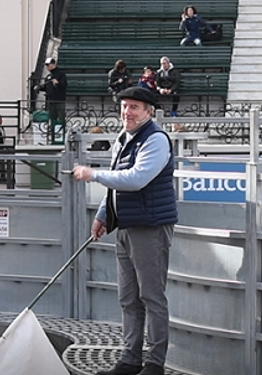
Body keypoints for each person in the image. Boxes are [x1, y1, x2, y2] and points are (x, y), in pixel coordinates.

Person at [73, 87, 177, 375]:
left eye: (134, 107)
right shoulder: (124, 138)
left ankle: (154, 364)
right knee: (129, 298)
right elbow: (117, 183)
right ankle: (130, 360)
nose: (127, 111)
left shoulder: (155, 139)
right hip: (127, 225)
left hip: (150, 227)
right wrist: (104, 215)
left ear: (148, 111)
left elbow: (136, 179)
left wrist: (92, 174)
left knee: (151, 297)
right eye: (124, 106)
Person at [34, 58, 68, 126]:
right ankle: (53, 133)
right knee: (52, 119)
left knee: (61, 118)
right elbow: (47, 87)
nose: (47, 67)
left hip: (59, 100)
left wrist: (58, 83)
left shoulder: (61, 74)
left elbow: (64, 85)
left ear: (53, 64)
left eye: (48, 65)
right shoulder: (49, 76)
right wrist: (39, 88)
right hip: (51, 100)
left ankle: (61, 132)